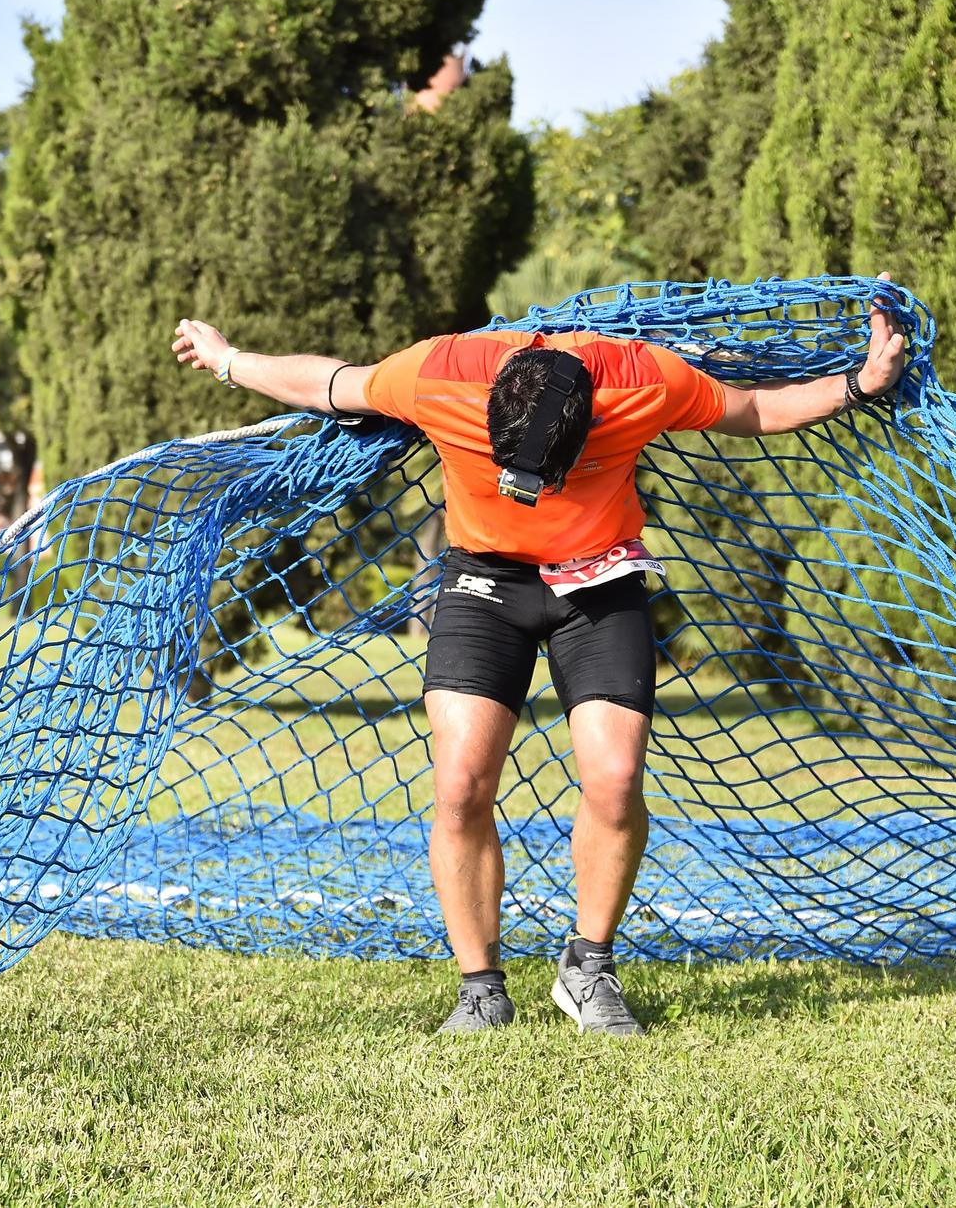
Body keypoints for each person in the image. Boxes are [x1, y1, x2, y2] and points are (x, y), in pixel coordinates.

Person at [169, 279, 907, 1035]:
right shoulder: (442, 371)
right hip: (485, 578)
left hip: (601, 574)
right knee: (460, 782)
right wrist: (230, 360)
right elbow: (330, 384)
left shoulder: (641, 379)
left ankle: (588, 968)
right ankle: (480, 989)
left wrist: (859, 383)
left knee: (617, 777)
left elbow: (756, 410)